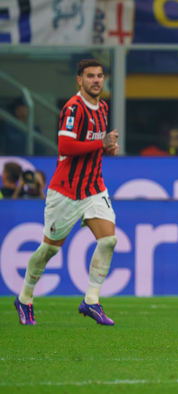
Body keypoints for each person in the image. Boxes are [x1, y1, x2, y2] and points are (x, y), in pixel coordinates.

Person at [13, 59, 120, 326]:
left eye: (99, 76)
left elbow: (95, 145)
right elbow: (66, 145)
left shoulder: (103, 107)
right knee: (49, 251)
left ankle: (91, 301)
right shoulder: (73, 108)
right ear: (79, 80)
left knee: (108, 241)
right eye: (90, 76)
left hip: (94, 187)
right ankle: (24, 298)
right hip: (66, 192)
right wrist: (101, 142)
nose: (96, 80)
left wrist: (107, 148)